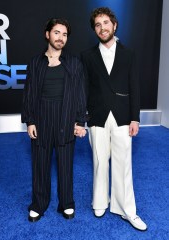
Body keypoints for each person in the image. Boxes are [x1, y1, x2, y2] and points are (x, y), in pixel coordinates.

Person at [81, 7, 147, 231]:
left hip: (122, 116)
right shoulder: (87, 56)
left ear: (114, 25)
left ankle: (127, 209)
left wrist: (135, 118)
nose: (102, 28)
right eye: (98, 25)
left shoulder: (129, 54)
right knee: (100, 162)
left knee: (123, 164)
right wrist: (84, 117)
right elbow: (84, 89)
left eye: (106, 23)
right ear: (95, 30)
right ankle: (99, 202)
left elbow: (134, 88)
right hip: (97, 116)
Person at [22, 18, 87, 222]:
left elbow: (80, 94)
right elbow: (29, 94)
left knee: (66, 165)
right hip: (41, 120)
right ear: (47, 34)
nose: (61, 38)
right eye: (57, 33)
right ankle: (39, 204)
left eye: (65, 34)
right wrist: (30, 121)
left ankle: (66, 203)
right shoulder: (35, 62)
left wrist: (80, 122)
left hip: (66, 119)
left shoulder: (74, 63)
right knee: (40, 165)